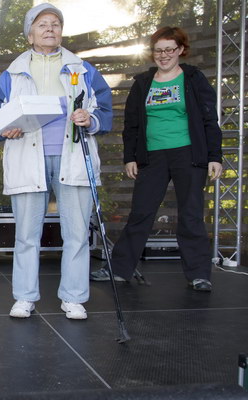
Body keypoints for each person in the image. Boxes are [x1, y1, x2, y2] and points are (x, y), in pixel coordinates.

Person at [0, 3, 112, 320]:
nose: (50, 28)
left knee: (77, 233)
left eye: (55, 23)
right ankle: (24, 298)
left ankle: (74, 298)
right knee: (26, 235)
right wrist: (6, 129)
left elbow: (105, 111)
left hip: (74, 159)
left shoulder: (84, 70)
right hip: (28, 159)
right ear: (29, 35)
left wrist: (90, 119)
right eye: (42, 24)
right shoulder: (12, 73)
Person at [97, 27, 222, 291]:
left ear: (180, 50)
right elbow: (131, 124)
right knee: (141, 212)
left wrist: (214, 156)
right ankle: (119, 269)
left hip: (189, 154)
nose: (164, 55)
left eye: (169, 49)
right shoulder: (143, 82)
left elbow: (210, 118)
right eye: (158, 50)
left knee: (191, 214)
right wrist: (130, 157)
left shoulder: (193, 78)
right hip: (152, 155)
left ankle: (199, 275)